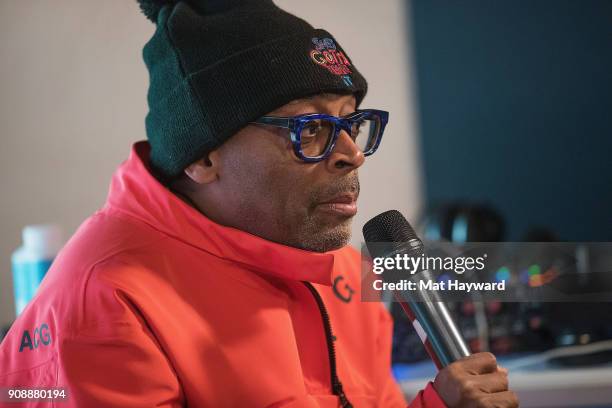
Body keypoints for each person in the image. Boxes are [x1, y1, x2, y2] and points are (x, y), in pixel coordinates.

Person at [0, 0, 518, 407]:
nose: (352, 156)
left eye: (351, 123)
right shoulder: (104, 303)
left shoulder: (335, 261)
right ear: (203, 156)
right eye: (310, 128)